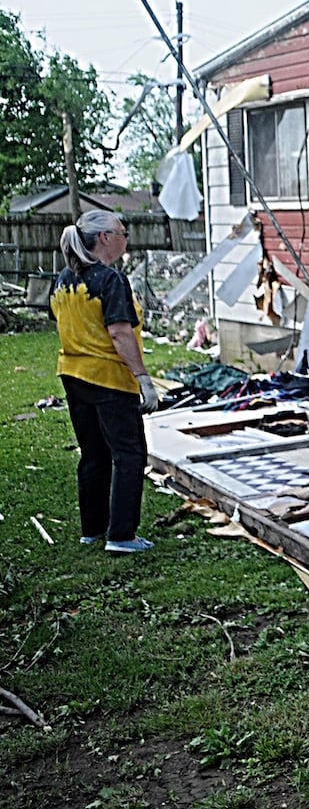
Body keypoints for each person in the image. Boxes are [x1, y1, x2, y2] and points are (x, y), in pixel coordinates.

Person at [50, 210, 159, 553]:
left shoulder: (63, 279)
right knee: (129, 455)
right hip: (109, 378)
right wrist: (144, 378)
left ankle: (93, 529)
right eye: (122, 232)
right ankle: (122, 536)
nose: (126, 238)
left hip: (73, 374)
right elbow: (119, 332)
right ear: (105, 238)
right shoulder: (110, 280)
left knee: (93, 455)